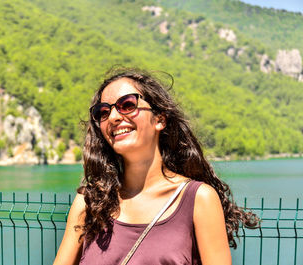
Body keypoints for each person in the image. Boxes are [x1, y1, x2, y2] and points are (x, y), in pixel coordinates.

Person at [53, 68, 259, 265]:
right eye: (103, 112)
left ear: (160, 119)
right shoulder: (89, 203)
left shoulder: (198, 199)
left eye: (127, 104)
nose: (114, 117)